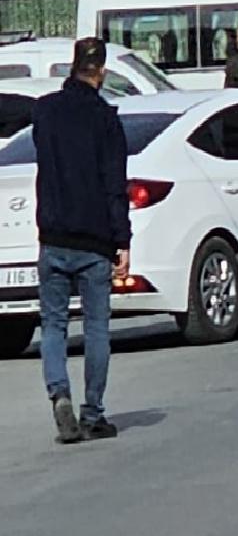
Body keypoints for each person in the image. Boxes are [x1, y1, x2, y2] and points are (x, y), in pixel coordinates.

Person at [33, 39, 129, 444]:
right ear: (101, 71)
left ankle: (59, 394)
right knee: (96, 328)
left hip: (53, 236)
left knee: (52, 323)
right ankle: (93, 413)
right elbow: (114, 185)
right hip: (94, 240)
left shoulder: (45, 111)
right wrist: (122, 240)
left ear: (72, 67)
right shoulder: (106, 119)